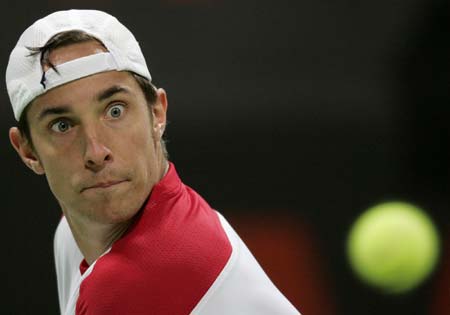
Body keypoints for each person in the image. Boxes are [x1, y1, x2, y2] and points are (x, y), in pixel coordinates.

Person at [6, 9, 300, 315]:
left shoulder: (132, 282)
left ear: (157, 114)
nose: (95, 151)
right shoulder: (72, 236)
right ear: (27, 150)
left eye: (115, 110)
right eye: (62, 125)